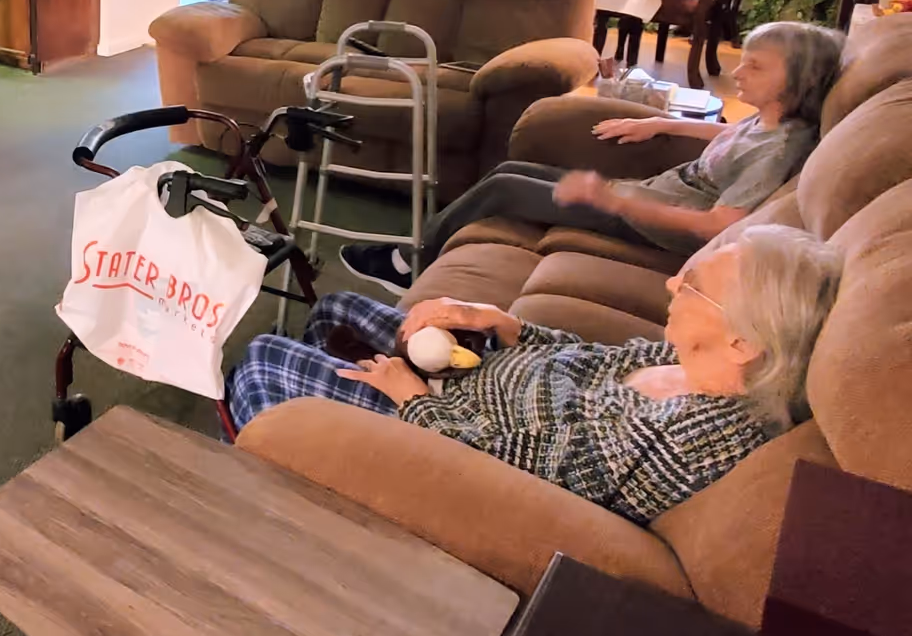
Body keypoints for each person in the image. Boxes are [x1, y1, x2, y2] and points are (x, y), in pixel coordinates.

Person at [227, 226, 843, 524]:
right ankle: (314, 424)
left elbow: (511, 480)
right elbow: (587, 360)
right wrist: (503, 324)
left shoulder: (688, 438)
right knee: (335, 308)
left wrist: (411, 397)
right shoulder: (688, 364)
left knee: (261, 361)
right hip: (473, 374)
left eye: (694, 286)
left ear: (742, 341)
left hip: (441, 431)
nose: (671, 282)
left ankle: (286, 475)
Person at [342, 21, 844, 296]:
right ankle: (417, 251)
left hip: (650, 222)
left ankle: (409, 264)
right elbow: (728, 134)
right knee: (510, 170)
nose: (738, 73)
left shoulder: (780, 149)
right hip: (646, 198)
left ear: (797, 81)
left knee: (504, 189)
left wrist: (615, 201)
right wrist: (661, 124)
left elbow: (718, 225)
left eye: (755, 67)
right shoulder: (768, 121)